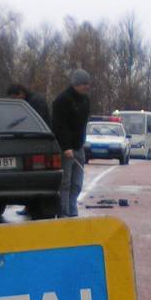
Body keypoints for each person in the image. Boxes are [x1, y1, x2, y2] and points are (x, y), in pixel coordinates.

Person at [50, 69, 92, 217]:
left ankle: (72, 209)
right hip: (66, 148)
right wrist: (66, 146)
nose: (86, 87)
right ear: (76, 84)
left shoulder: (85, 100)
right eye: (83, 84)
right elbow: (59, 126)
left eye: (87, 84)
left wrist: (81, 142)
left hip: (79, 146)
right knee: (65, 182)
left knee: (77, 183)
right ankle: (63, 212)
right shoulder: (62, 100)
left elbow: (83, 124)